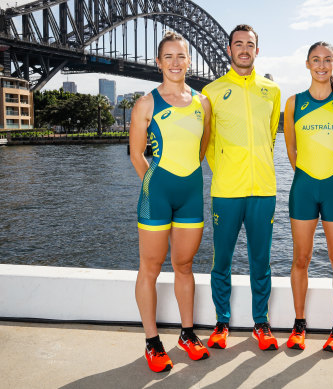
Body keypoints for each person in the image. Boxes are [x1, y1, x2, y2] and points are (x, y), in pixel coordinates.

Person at [129, 31, 211, 373]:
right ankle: (152, 342)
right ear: (158, 62)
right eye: (169, 57)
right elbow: (136, 155)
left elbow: (202, 147)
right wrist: (156, 185)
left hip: (191, 193)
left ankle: (187, 334)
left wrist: (184, 176)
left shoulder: (202, 103)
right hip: (157, 194)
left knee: (185, 266)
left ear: (189, 61)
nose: (175, 63)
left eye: (182, 56)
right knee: (149, 268)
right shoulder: (146, 103)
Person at [202, 24, 281, 351]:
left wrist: (257, 165)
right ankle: (222, 322)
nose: (244, 49)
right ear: (229, 49)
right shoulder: (211, 91)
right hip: (226, 191)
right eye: (238, 44)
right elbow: (207, 142)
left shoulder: (271, 91)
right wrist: (225, 171)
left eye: (250, 44)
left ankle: (260, 324)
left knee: (261, 261)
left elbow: (271, 134)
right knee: (222, 259)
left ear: (257, 51)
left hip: (263, 189)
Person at [283, 41, 333, 353]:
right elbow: (291, 148)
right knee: (300, 259)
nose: (321, 65)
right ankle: (299, 324)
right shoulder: (293, 103)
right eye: (316, 60)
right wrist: (305, 174)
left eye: (327, 60)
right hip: (303, 189)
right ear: (307, 64)